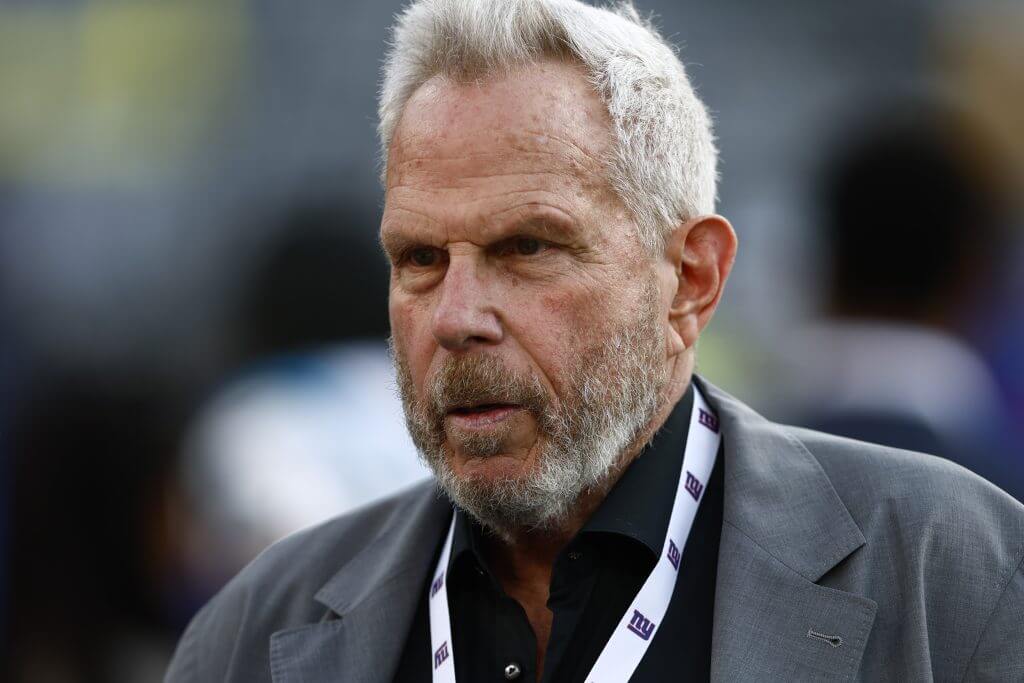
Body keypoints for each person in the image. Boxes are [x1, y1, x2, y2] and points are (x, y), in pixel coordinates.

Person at [166, 1, 1024, 681]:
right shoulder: (254, 633)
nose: (457, 314)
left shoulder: (954, 578)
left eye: (527, 247)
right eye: (420, 259)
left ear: (691, 278)